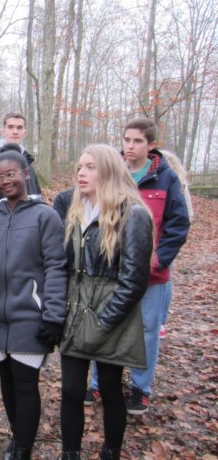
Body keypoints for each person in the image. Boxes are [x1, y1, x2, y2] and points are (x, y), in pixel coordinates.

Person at [0, 150, 67, 460]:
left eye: (11, 174)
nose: (5, 181)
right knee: (7, 384)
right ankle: (17, 436)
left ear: (25, 173)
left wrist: (53, 316)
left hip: (30, 314)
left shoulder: (45, 216)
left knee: (25, 384)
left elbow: (56, 267)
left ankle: (23, 449)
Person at [85, 119, 190, 414]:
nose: (130, 146)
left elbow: (179, 225)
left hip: (152, 276)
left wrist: (159, 259)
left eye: (138, 141)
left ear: (151, 145)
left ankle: (141, 388)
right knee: (104, 321)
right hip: (110, 271)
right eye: (127, 140)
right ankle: (97, 383)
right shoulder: (111, 173)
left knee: (146, 330)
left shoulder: (165, 178)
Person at [59, 144, 154, 460]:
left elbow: (134, 281)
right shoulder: (75, 210)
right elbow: (67, 266)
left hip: (111, 312)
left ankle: (110, 451)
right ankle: (70, 452)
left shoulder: (133, 214)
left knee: (111, 389)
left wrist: (104, 321)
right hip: (76, 309)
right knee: (71, 390)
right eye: (79, 167)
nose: (81, 173)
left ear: (109, 170)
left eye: (90, 167)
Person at [0, 113, 42, 217]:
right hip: (1, 227)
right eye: (10, 127)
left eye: (19, 128)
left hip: (29, 226)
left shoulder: (28, 162)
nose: (15, 132)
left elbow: (37, 197)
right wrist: (2, 223)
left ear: (25, 132)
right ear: (3, 131)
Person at [159, 150, 194, 338]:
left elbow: (185, 215)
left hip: (165, 242)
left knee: (165, 277)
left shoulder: (175, 183)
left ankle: (161, 321)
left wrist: (168, 241)